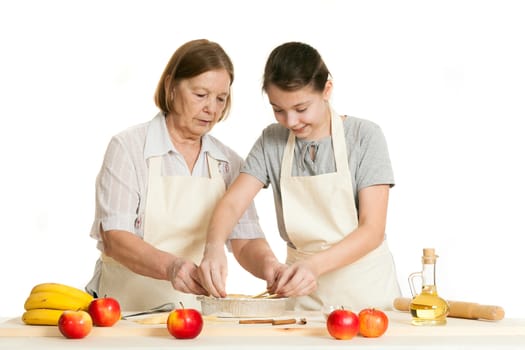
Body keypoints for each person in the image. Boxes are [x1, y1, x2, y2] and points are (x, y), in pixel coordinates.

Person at [199, 41, 401, 311]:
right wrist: (213, 248)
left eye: (301, 108)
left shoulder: (364, 137)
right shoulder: (272, 140)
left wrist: (314, 266)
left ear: (326, 90)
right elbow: (233, 203)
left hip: (368, 296)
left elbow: (372, 230)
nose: (291, 121)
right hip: (303, 300)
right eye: (278, 109)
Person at [85, 39, 265, 311]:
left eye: (221, 98)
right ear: (170, 86)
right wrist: (172, 266)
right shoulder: (129, 148)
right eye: (201, 94)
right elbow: (115, 238)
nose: (212, 109)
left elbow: (246, 240)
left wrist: (272, 267)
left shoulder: (229, 162)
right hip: (121, 311)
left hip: (191, 315)